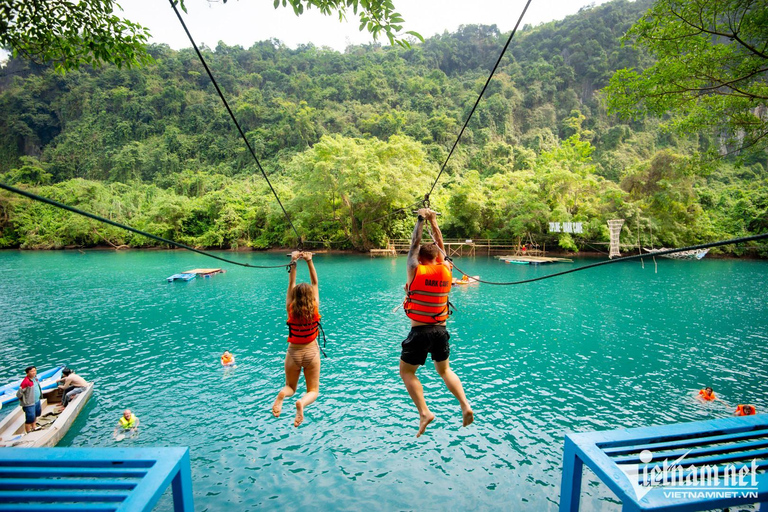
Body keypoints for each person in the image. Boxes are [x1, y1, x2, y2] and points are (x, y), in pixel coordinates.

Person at [400, 208, 473, 437]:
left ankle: (424, 412)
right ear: (438, 258)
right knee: (444, 370)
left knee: (407, 373)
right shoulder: (446, 269)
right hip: (441, 332)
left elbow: (415, 242)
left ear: (420, 258)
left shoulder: (415, 270)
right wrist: (432, 220)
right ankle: (464, 405)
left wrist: (420, 219)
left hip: (420, 332)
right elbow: (440, 242)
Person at [271, 251, 321, 428]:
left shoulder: (290, 308)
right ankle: (301, 404)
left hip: (293, 353)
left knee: (290, 387)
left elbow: (291, 282)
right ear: (310, 297)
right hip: (311, 353)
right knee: (313, 391)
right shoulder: (314, 307)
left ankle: (282, 395)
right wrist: (309, 260)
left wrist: (294, 260)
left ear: (295, 297)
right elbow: (314, 282)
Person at [15, 366, 42, 433]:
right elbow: (19, 394)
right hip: (29, 403)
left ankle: (34, 426)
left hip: (37, 400)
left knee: (36, 413)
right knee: (30, 417)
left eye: (35, 370)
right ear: (27, 373)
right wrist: (24, 400)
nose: (34, 372)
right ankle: (28, 431)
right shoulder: (25, 382)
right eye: (32, 371)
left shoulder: (35, 379)